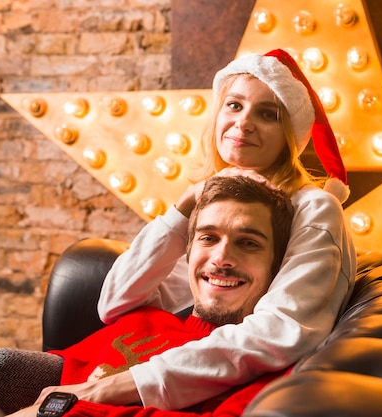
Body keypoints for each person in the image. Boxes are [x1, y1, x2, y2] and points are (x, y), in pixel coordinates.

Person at [59, 49, 357, 410]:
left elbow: (281, 331)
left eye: (267, 114)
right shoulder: (215, 198)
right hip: (172, 356)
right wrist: (183, 207)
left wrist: (122, 385)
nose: (243, 123)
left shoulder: (313, 208)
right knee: (3, 368)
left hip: (218, 383)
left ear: (289, 135)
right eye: (234, 105)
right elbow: (115, 303)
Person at [0, 174, 294, 417]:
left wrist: (59, 412)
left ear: (276, 265)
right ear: (189, 250)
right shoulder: (146, 318)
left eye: (249, 243)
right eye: (208, 238)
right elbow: (59, 372)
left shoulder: (266, 367)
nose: (221, 258)